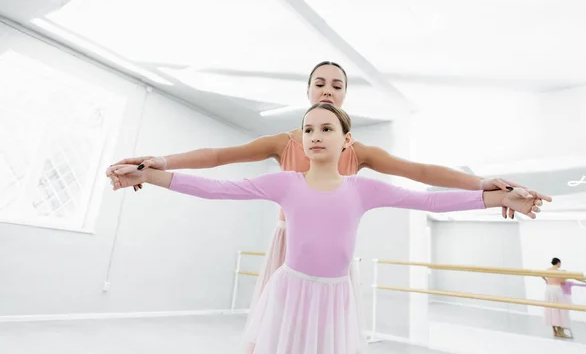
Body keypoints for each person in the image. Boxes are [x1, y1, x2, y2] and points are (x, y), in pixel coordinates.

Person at [108, 103, 551, 354]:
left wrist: (497, 197)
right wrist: (149, 174)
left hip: (336, 294)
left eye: (326, 128)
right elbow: (218, 188)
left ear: (346, 141)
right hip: (290, 289)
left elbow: (428, 198)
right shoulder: (285, 183)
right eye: (308, 130)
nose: (315, 135)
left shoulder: (363, 189)